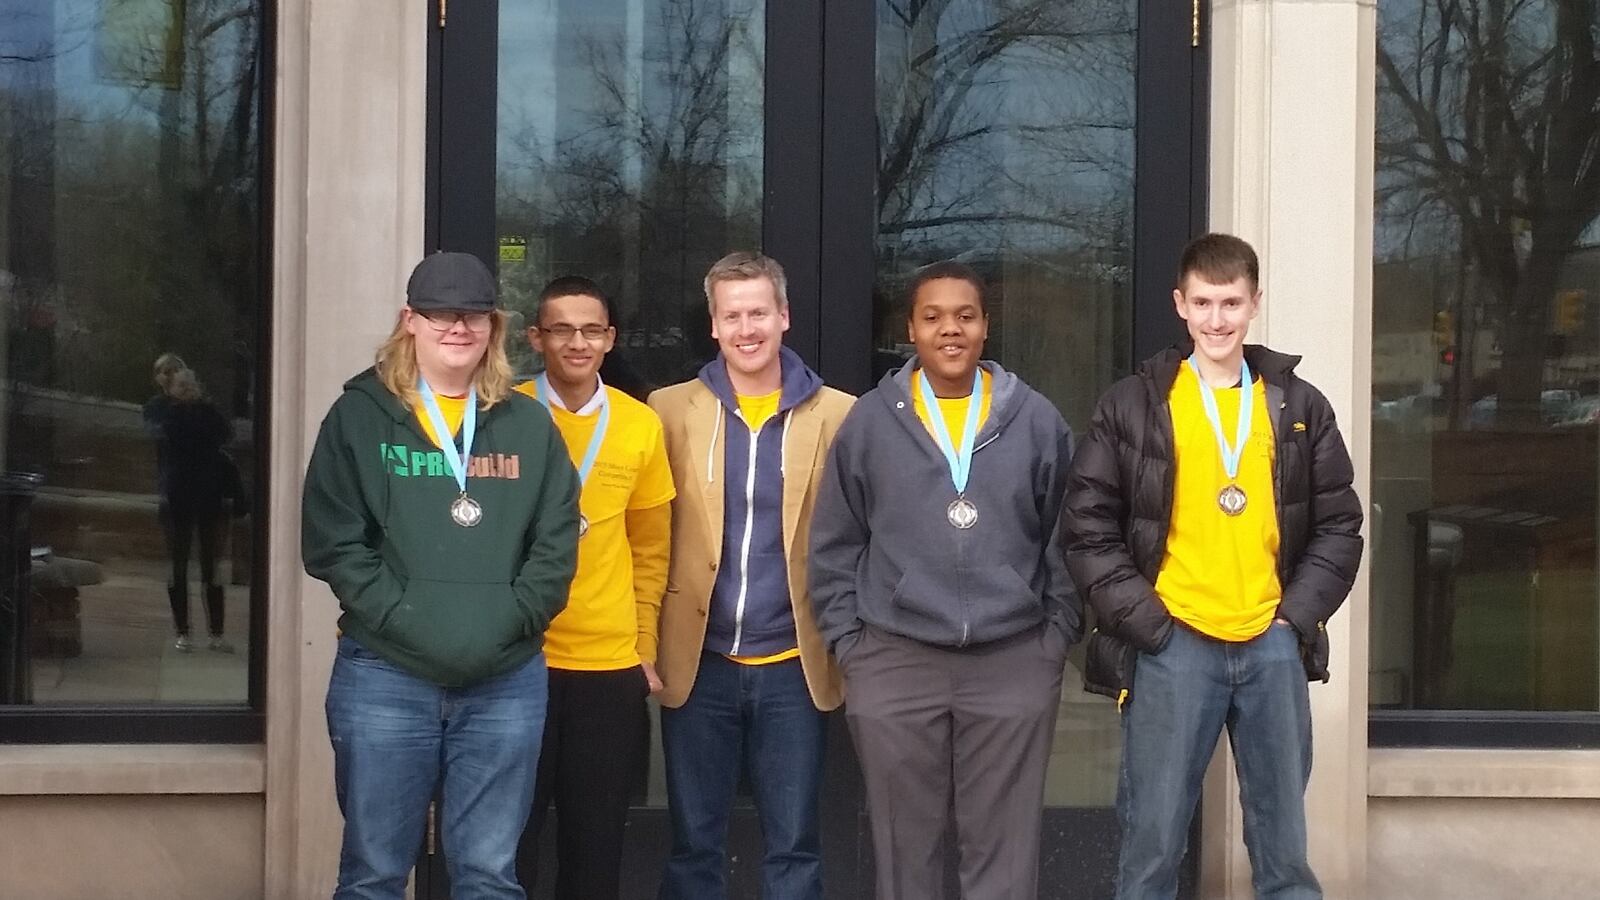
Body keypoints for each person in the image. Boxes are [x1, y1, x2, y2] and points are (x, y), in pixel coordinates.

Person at [1061, 233, 1363, 900]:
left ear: (1255, 303)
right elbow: (1086, 531)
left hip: (1272, 646)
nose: (1217, 319)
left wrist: (1295, 620)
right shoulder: (1133, 405)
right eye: (1203, 302)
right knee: (1153, 846)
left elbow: (1341, 525)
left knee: (1283, 852)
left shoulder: (1298, 408)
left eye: (1231, 302)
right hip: (1175, 646)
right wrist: (1151, 626)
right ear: (1180, 304)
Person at [302, 251, 579, 899]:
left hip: (504, 681)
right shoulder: (361, 418)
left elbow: (557, 542)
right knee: (374, 873)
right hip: (386, 677)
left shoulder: (529, 426)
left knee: (488, 876)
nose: (458, 328)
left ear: (494, 327)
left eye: (474, 315)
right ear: (410, 321)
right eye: (440, 314)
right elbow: (334, 543)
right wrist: (404, 618)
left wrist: (509, 621)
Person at [809, 261, 1079, 899]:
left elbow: (1069, 537)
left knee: (1004, 853)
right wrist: (855, 648)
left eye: (964, 316)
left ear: (986, 327)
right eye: (932, 317)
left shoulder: (1034, 418)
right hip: (896, 662)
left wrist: (1055, 636)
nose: (949, 330)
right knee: (907, 852)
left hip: (1012, 659)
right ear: (911, 329)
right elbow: (834, 544)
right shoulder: (873, 421)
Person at [647, 251, 854, 900]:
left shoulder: (839, 415)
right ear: (713, 325)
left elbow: (859, 537)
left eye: (759, 312)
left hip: (795, 663)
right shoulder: (669, 409)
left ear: (784, 316)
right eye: (732, 315)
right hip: (699, 662)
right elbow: (648, 536)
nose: (747, 328)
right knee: (693, 844)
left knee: (794, 845)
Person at [512, 276, 676, 899]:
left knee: (596, 846)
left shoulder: (639, 424)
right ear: (536, 337)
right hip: (518, 660)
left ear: (609, 339)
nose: (576, 343)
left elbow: (651, 549)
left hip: (608, 667)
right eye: (561, 329)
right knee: (507, 842)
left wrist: (645, 645)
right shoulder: (508, 413)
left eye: (591, 330)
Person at [143, 354, 236, 653]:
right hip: (179, 496)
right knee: (179, 567)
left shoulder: (206, 412)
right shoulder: (164, 413)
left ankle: (215, 633)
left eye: (187, 384)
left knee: (211, 568)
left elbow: (224, 434)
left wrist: (198, 407)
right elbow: (168, 435)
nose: (184, 389)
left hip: (204, 496)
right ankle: (183, 631)